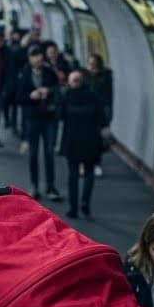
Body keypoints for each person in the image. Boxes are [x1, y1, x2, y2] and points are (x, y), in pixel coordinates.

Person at [58, 69, 107, 218]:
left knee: (72, 175)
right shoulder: (93, 96)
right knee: (89, 172)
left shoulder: (67, 96)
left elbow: (59, 116)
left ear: (72, 82)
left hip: (72, 140)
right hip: (91, 140)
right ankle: (85, 202)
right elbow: (102, 119)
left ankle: (73, 208)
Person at [16, 45, 62, 201]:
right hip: (32, 118)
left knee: (49, 152)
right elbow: (19, 98)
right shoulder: (24, 75)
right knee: (33, 153)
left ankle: (51, 186)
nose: (37, 60)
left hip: (48, 117)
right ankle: (34, 185)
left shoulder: (49, 73)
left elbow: (57, 91)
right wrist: (31, 95)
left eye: (40, 57)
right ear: (30, 59)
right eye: (34, 57)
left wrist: (48, 92)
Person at [86, 53, 113, 177]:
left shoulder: (105, 77)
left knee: (98, 140)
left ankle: (96, 163)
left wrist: (108, 115)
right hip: (86, 112)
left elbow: (108, 97)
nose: (91, 66)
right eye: (89, 63)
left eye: (93, 64)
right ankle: (85, 163)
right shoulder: (85, 76)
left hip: (100, 112)